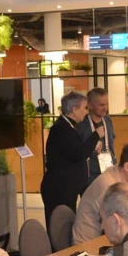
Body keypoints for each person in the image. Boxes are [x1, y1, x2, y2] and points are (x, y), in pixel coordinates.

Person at [41, 91, 105, 226]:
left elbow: (73, 151)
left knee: (67, 224)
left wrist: (91, 148)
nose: (86, 112)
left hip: (67, 188)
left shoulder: (68, 127)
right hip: (59, 188)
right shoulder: (62, 129)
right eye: (84, 108)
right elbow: (79, 153)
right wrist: (95, 135)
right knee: (59, 227)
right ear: (75, 110)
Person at [72, 142, 128, 243]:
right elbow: (119, 225)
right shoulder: (108, 184)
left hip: (111, 238)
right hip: (89, 243)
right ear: (127, 167)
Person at [76, 87, 117, 192]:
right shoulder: (81, 124)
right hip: (90, 177)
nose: (105, 108)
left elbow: (111, 144)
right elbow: (78, 150)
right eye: (101, 105)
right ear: (90, 105)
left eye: (107, 104)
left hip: (109, 173)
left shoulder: (107, 120)